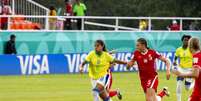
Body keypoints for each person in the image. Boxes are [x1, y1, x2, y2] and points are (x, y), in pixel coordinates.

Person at [173, 35, 194, 101]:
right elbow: (175, 58)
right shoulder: (178, 49)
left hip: (189, 70)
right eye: (185, 40)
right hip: (181, 69)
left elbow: (196, 58)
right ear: (182, 41)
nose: (186, 41)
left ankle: (194, 83)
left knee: (187, 88)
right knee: (179, 84)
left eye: (187, 40)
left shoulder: (191, 50)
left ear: (189, 41)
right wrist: (175, 64)